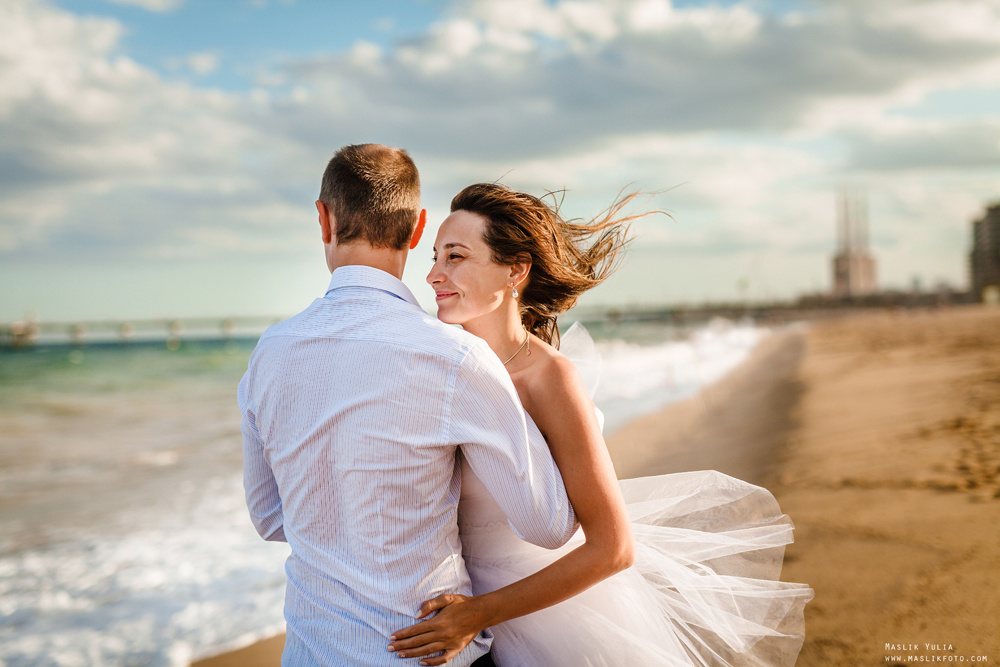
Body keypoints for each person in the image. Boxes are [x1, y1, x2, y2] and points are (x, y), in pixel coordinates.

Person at [388, 183, 814, 666]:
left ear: (516, 270)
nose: (433, 275)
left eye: (455, 257)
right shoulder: (440, 366)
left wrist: (478, 614)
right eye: (435, 257)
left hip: (540, 619)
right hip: (445, 598)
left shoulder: (550, 379)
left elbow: (614, 548)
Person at [238, 147, 578, 667]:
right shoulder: (456, 356)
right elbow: (548, 526)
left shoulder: (270, 352)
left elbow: (268, 517)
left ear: (323, 219)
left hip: (309, 651)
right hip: (426, 652)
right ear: (418, 229)